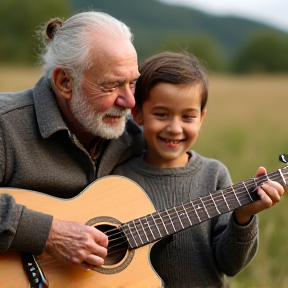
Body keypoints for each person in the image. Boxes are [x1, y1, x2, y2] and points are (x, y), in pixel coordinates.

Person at [112, 51, 285, 287]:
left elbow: (230, 265)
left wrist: (243, 216)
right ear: (138, 114)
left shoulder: (213, 175)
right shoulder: (116, 179)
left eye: (188, 117)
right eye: (161, 114)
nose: (174, 128)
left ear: (201, 118)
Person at [0, 11, 145, 270]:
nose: (129, 102)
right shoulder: (5, 124)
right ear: (64, 81)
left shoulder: (132, 139)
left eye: (132, 83)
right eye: (112, 86)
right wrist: (50, 235)